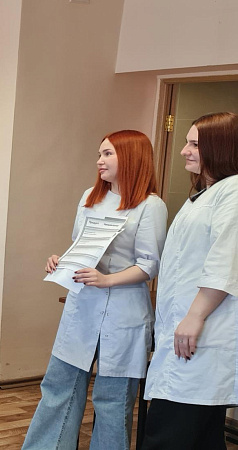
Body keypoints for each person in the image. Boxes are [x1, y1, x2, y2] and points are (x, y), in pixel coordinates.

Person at [23, 130, 167, 449]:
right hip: (83, 307)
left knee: (112, 402)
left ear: (130, 157)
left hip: (123, 312)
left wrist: (106, 280)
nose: (99, 161)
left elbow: (149, 265)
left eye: (107, 154)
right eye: (100, 154)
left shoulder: (151, 206)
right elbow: (80, 247)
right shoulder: (90, 196)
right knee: (58, 388)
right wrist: (61, 260)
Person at [142, 112, 238, 450]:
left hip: (201, 334)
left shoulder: (233, 192)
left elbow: (224, 263)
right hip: (185, 333)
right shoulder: (204, 194)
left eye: (194, 144)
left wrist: (194, 316)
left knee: (169, 434)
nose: (184, 151)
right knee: (200, 437)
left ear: (220, 147)